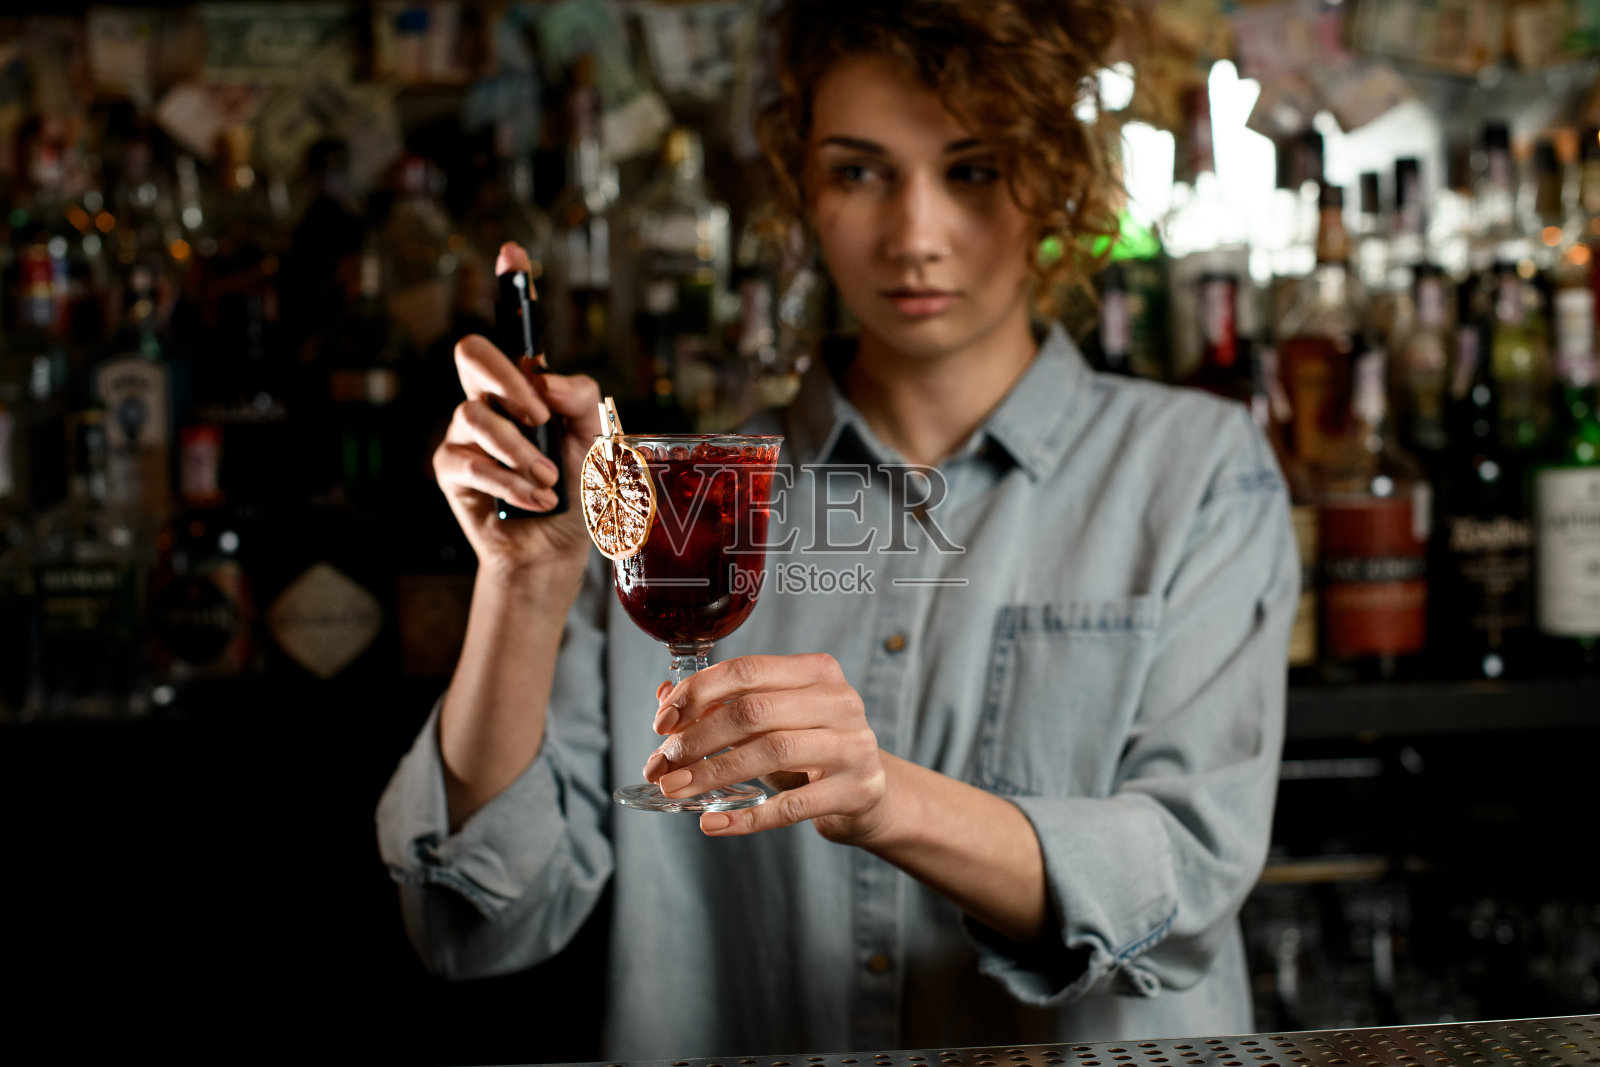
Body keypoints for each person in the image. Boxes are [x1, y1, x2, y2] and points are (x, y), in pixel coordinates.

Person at [377, 0, 1298, 1058]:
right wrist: (523, 586)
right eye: (859, 171)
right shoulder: (677, 498)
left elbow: (1182, 885)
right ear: (801, 188)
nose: (914, 236)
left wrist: (886, 798)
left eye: (973, 169)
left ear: (1054, 184)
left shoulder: (1195, 473)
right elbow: (471, 921)